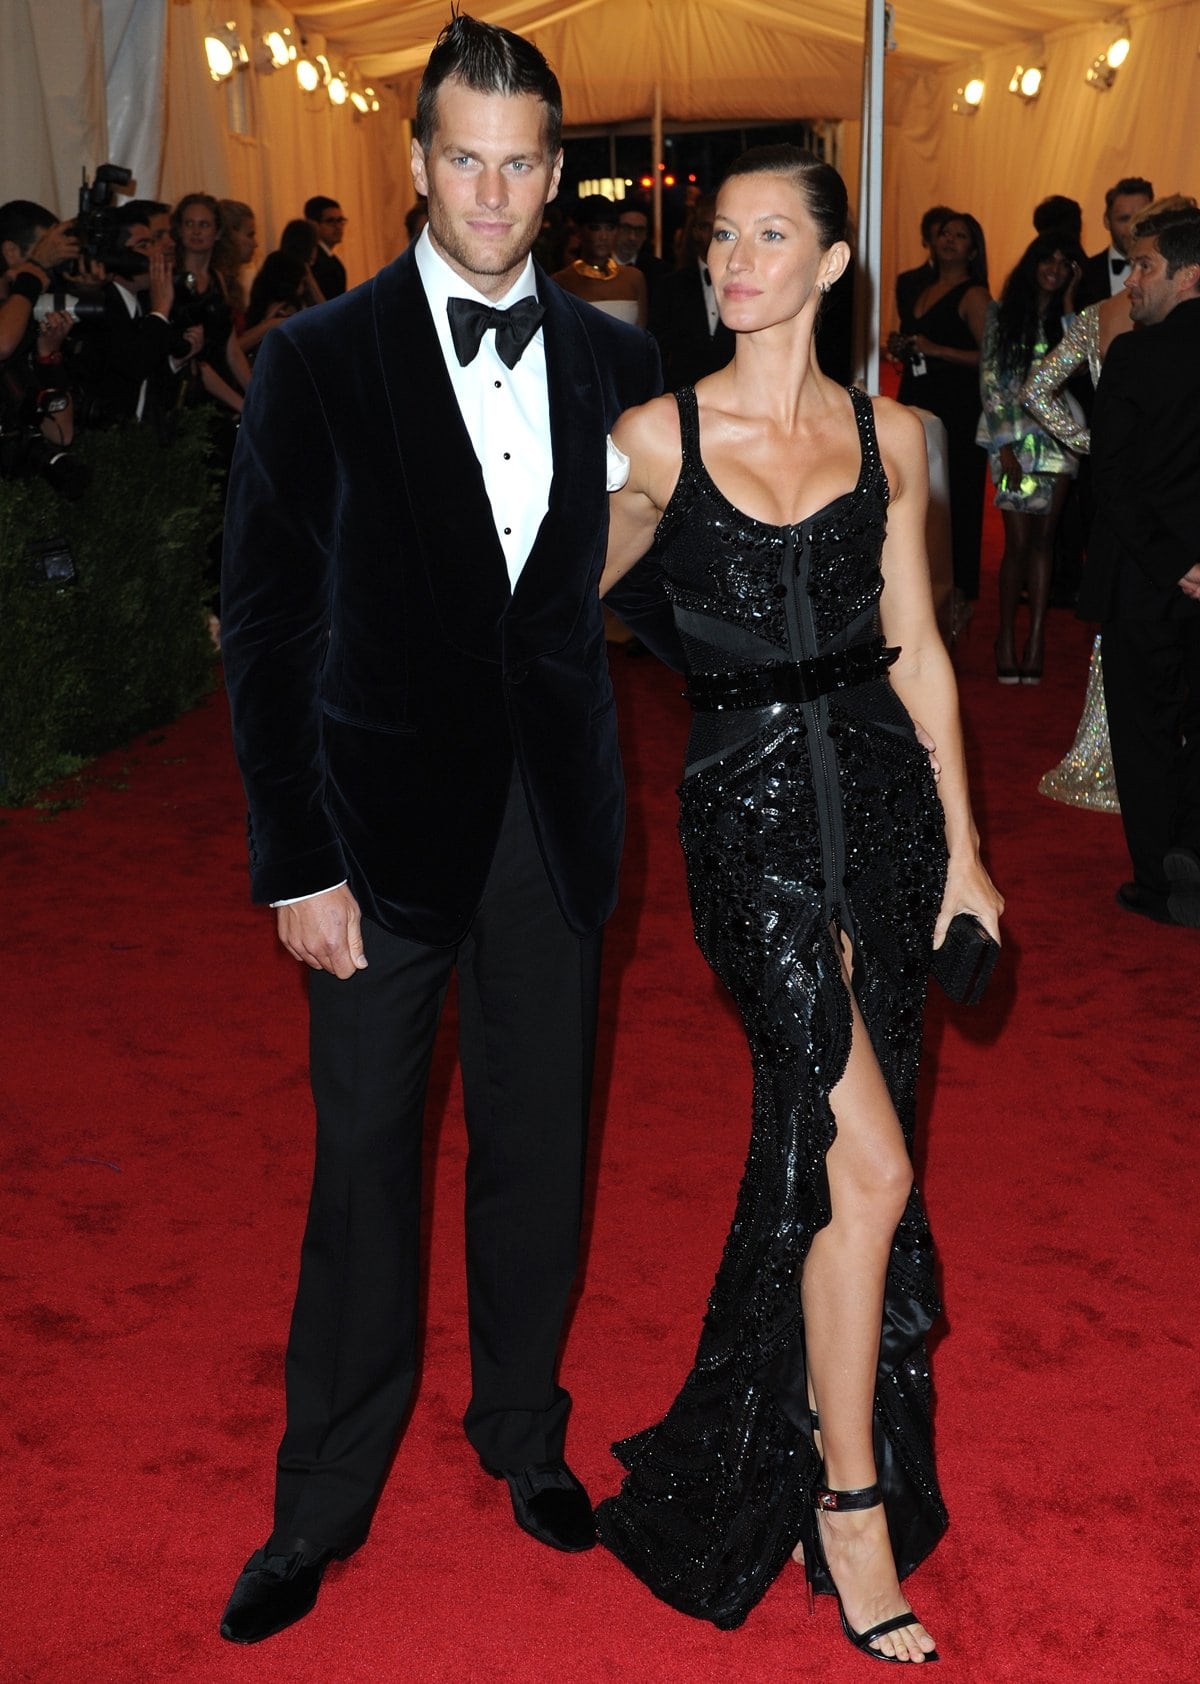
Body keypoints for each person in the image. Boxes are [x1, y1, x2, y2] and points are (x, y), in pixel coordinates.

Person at [217, 13, 681, 1647]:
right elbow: (266, 629)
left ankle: (521, 1431)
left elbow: (648, 572)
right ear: (419, 164)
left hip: (550, 825)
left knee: (538, 1154)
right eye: (462, 159)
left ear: (555, 179)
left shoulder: (618, 361)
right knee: (363, 1173)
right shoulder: (318, 362)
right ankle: (319, 1499)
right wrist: (296, 861)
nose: (490, 191)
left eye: (519, 164)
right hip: (373, 834)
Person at [593, 145, 1003, 1661]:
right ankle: (850, 1508)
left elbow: (922, 649)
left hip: (888, 823)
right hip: (748, 830)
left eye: (773, 236)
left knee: (837, 1171)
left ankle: (834, 1457)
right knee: (877, 1166)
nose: (737, 258)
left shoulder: (895, 433)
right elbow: (552, 602)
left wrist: (964, 850)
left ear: (836, 264)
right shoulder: (652, 436)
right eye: (723, 237)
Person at [1081, 206, 1200, 926]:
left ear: (1191, 275)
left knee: (1146, 733)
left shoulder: (1134, 354)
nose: (1131, 283)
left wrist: (1178, 564)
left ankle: (1160, 881)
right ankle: (1193, 845)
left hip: (1147, 585)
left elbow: (1113, 481)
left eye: (1145, 266)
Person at [976, 234, 1084, 683]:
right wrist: (1004, 446)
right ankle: (1004, 635)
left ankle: (1036, 637)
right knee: (1017, 545)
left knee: (1045, 542)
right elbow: (990, 381)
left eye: (1063, 263)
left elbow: (1079, 365)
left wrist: (1072, 302)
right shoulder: (1002, 314)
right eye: (1047, 259)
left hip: (1058, 439)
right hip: (1011, 440)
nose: (1054, 268)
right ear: (1032, 263)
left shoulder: (1069, 321)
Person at [892, 212, 990, 619]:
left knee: (960, 496)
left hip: (958, 406)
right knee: (921, 492)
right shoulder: (925, 287)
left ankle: (960, 592)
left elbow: (990, 358)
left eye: (960, 235)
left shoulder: (975, 295)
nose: (950, 240)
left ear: (973, 248)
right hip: (919, 396)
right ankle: (928, 579)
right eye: (945, 233)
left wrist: (935, 349)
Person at [649, 192, 735, 390]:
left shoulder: (751, 283)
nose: (713, 234)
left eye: (721, 228)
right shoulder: (670, 286)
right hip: (683, 398)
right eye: (706, 226)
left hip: (740, 398)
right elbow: (657, 349)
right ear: (695, 231)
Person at [552, 194, 647, 325]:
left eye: (610, 228)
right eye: (595, 228)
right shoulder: (561, 281)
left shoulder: (635, 278)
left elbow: (642, 335)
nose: (604, 236)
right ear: (579, 232)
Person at [1077, 177, 1154, 309]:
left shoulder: (1169, 271)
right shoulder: (1083, 275)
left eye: (1142, 218)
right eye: (1124, 219)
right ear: (1107, 221)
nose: (1133, 227)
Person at [304, 195, 348, 297]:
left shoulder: (334, 261)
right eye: (330, 221)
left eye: (340, 220)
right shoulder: (312, 261)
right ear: (313, 224)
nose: (338, 227)